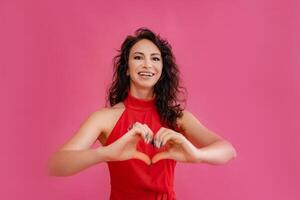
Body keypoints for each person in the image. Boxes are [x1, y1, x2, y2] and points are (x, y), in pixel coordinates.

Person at [48, 27, 237, 199]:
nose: (147, 64)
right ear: (127, 69)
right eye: (138, 57)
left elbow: (228, 150)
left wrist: (196, 154)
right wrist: (105, 153)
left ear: (162, 70)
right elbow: (56, 164)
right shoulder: (104, 119)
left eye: (155, 58)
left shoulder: (178, 118)